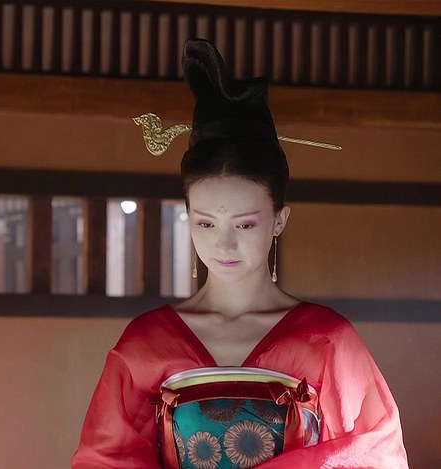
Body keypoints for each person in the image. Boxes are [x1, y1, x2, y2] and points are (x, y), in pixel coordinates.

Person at [71, 39, 408, 468]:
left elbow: (374, 454)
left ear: (279, 220)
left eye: (245, 224)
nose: (224, 245)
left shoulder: (327, 341)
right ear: (188, 217)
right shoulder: (145, 344)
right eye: (205, 223)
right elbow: (106, 459)